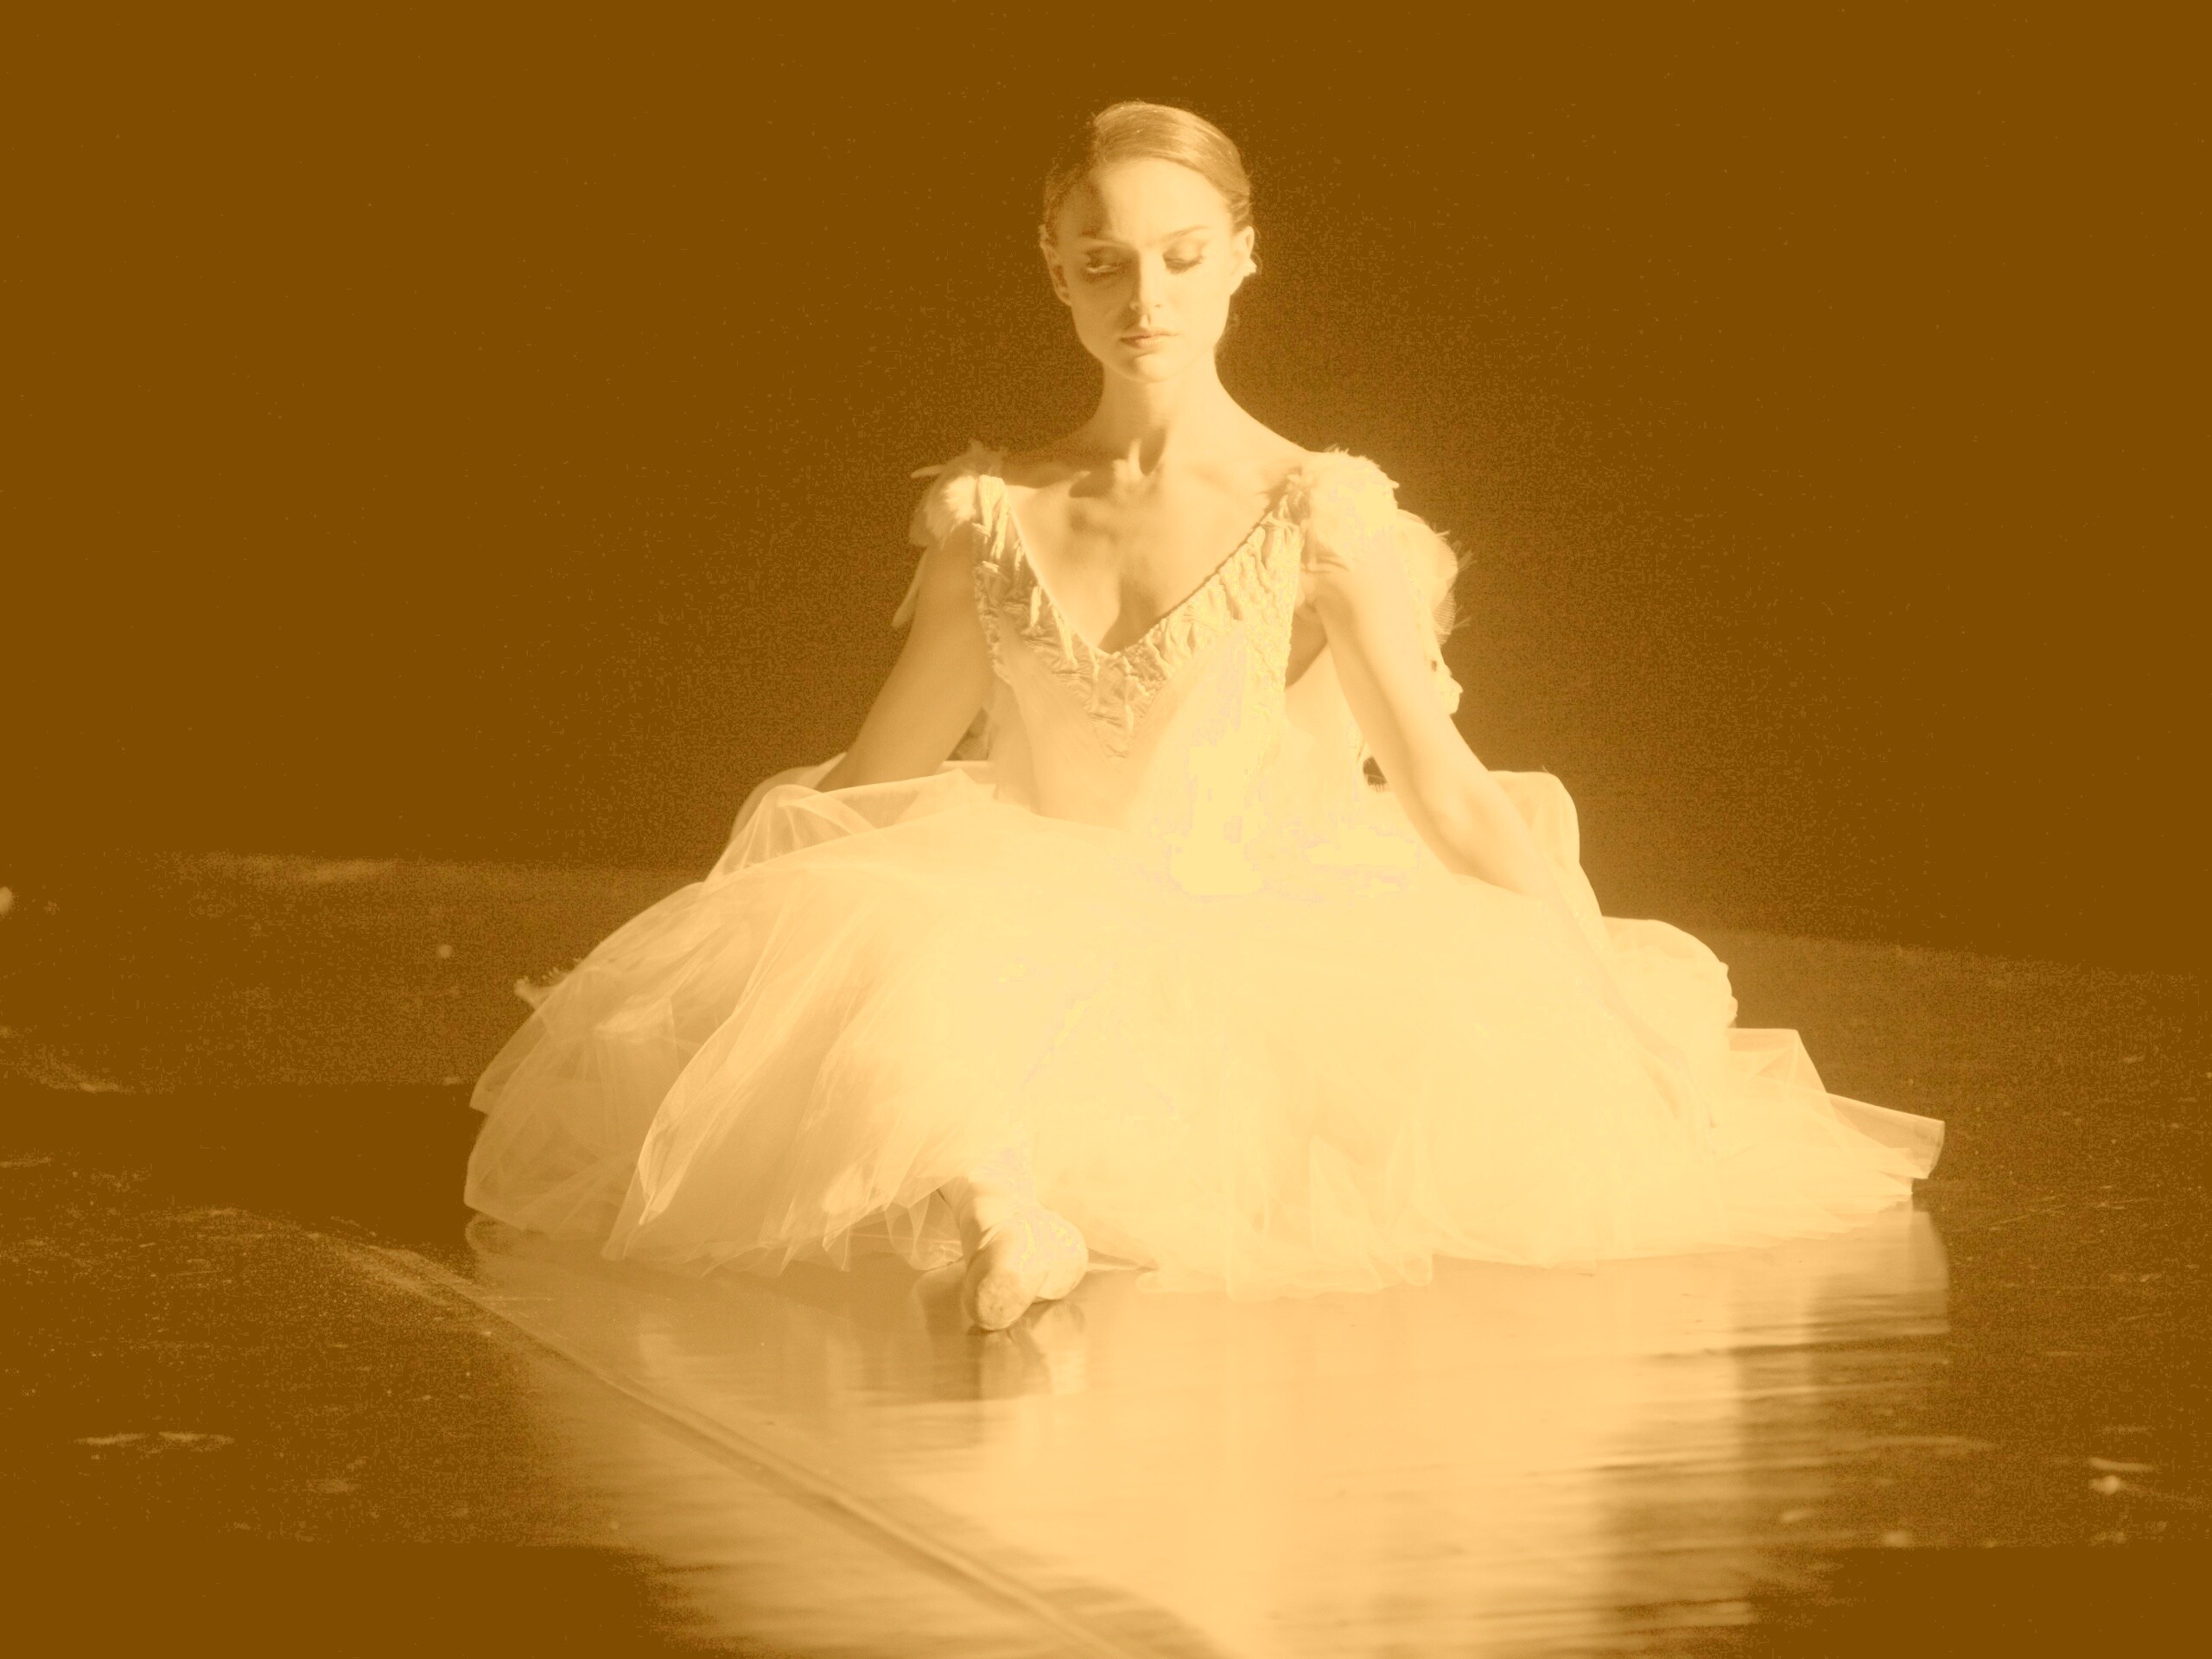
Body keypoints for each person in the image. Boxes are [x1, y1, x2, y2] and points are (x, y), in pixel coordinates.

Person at [465, 102, 1943, 1332]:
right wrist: (724, 965)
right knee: (911, 961)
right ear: (1054, 271)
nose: (1146, 300)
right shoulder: (994, 516)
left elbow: (1446, 791)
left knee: (1068, 1030)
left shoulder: (1316, 511)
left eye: (1180, 258)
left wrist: (1596, 987)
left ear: (1244, 256)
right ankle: (1003, 1211)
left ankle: (1008, 1207)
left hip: (1240, 921)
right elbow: (876, 781)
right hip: (1022, 909)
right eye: (1103, 262)